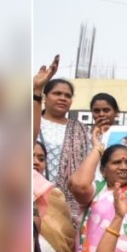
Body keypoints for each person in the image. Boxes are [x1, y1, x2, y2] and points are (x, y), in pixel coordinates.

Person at [36, 74, 91, 225]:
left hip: (68, 204)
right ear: (45, 97)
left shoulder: (80, 129)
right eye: (57, 93)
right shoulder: (32, 123)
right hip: (33, 196)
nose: (63, 98)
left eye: (67, 95)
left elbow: (88, 166)